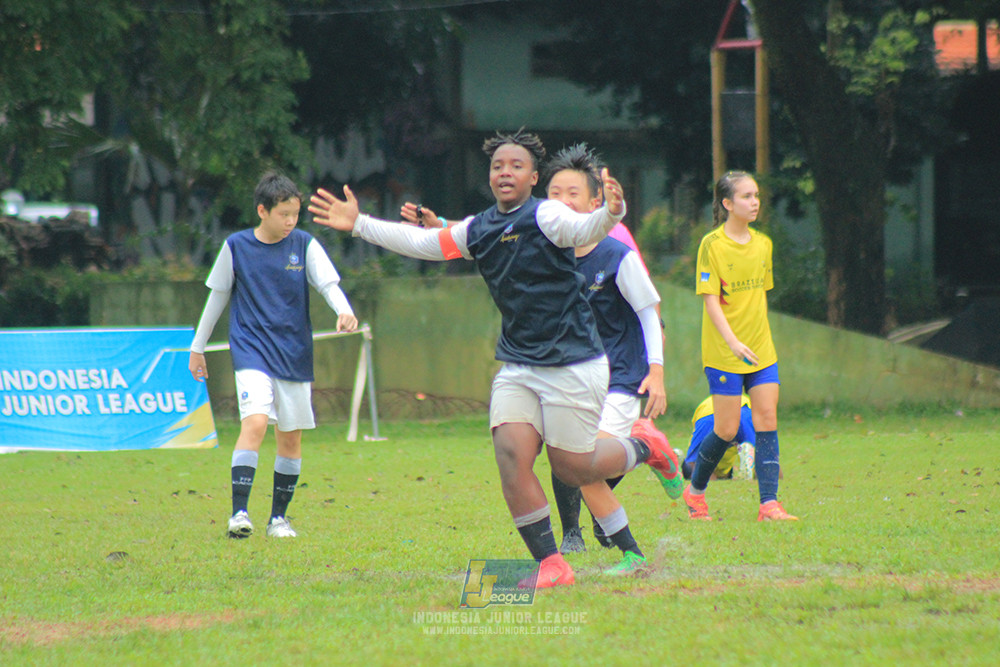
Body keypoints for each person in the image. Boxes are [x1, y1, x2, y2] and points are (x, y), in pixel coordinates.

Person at [308, 129, 678, 587]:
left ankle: (645, 447)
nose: (505, 172)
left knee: (572, 468)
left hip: (574, 363)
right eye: (498, 166)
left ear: (533, 176)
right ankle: (552, 564)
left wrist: (611, 212)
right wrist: (360, 223)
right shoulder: (479, 228)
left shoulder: (549, 216)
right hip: (519, 366)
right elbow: (425, 244)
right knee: (510, 453)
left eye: (516, 166)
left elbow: (587, 228)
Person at [403, 143, 683, 574]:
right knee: (576, 469)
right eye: (555, 195)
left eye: (574, 195)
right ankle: (627, 550)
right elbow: (493, 230)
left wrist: (657, 372)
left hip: (620, 375)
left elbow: (650, 312)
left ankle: (646, 460)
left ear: (593, 202)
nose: (562, 203)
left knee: (582, 468)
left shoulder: (616, 252)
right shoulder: (541, 238)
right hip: (560, 370)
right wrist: (442, 225)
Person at [189, 171, 358, 539]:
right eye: (284, 214)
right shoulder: (236, 247)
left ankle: (278, 519)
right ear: (262, 211)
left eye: (295, 214)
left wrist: (343, 309)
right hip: (251, 349)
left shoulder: (304, 244)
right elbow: (217, 297)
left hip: (294, 352)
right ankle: (239, 513)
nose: (290, 221)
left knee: (291, 438)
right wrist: (197, 347)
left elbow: (328, 283)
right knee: (255, 423)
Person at [683, 170, 797, 522]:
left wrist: (756, 341)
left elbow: (758, 297)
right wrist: (732, 341)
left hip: (761, 350)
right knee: (727, 429)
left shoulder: (764, 244)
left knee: (766, 417)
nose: (755, 202)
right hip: (723, 352)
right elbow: (711, 300)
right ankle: (696, 492)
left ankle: (769, 504)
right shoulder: (712, 245)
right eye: (747, 196)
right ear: (727, 204)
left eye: (757, 195)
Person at [683, 394, 755, 481]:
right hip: (744, 406)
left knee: (694, 466)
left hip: (709, 413)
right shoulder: (726, 462)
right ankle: (753, 455)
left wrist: (712, 478)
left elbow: (693, 462)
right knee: (761, 451)